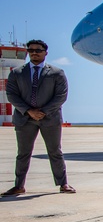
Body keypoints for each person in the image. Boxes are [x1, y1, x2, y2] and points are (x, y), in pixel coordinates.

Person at [2, 39, 74, 196]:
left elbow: (61, 96)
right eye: (31, 50)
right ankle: (19, 186)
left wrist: (44, 111)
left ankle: (63, 184)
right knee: (23, 153)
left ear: (45, 53)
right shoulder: (17, 73)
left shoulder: (57, 73)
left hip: (50, 118)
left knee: (55, 151)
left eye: (38, 50)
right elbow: (11, 95)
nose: (34, 53)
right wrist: (29, 111)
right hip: (24, 118)